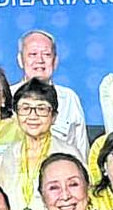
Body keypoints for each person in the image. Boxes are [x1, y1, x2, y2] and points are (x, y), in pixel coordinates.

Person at [0, 78, 83, 210]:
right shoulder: (3, 159)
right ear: (16, 115)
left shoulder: (69, 155)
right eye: (25, 108)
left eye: (41, 109)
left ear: (54, 117)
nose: (33, 116)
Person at [13, 30, 89, 158]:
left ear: (55, 61)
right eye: (33, 54)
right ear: (20, 60)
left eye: (46, 54)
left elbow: (81, 151)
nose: (40, 60)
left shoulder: (69, 98)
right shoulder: (6, 96)